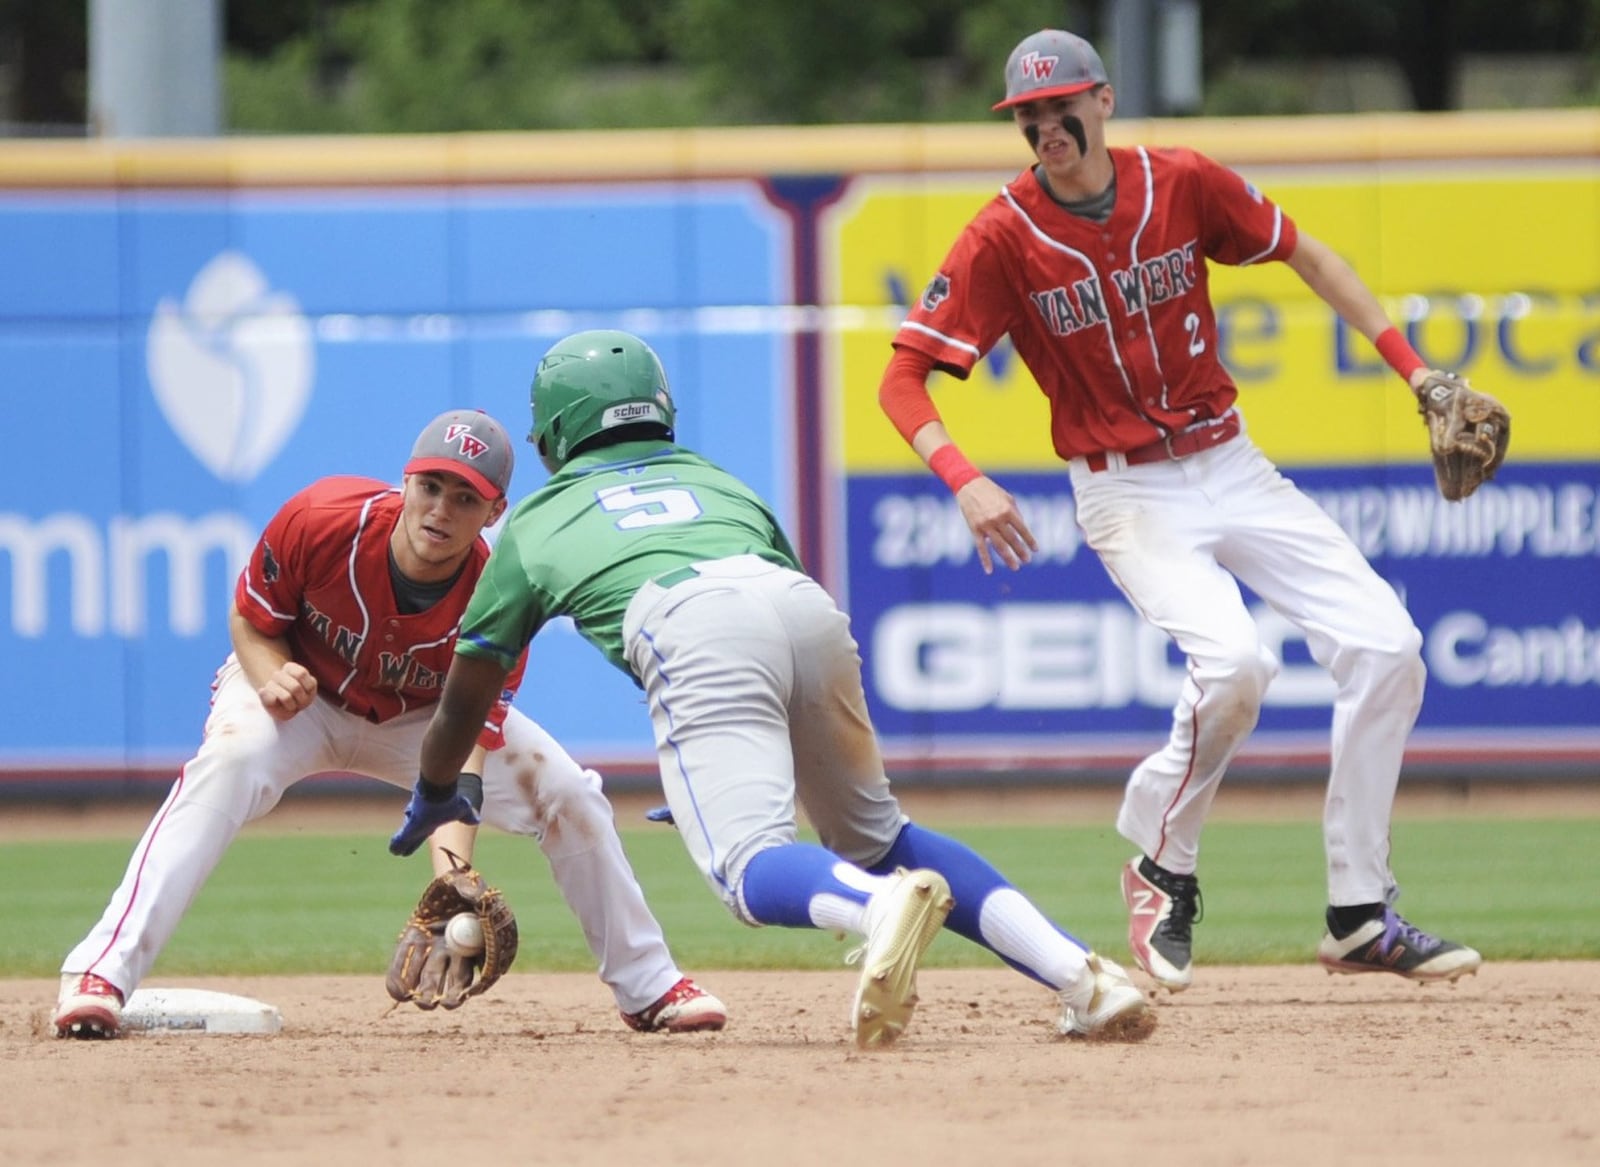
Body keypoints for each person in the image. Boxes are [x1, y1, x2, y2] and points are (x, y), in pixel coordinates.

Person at [877, 28, 1483, 994]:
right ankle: (1162, 861)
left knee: (1388, 647)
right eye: (1026, 114)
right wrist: (962, 476)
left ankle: (1359, 912)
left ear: (1104, 101)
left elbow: (1307, 254)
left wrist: (1419, 374)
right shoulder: (1002, 235)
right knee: (1236, 665)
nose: (1043, 125)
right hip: (1126, 488)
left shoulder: (1185, 182)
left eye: (1058, 104)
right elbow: (904, 379)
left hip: (1229, 462)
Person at [386, 329, 1155, 1049]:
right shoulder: (717, 480)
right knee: (880, 839)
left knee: (749, 870)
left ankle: (880, 907)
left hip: (691, 627)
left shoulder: (537, 519)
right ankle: (1084, 980)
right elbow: (777, 615)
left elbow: (466, 693)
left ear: (554, 429)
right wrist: (722, 761)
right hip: (801, 609)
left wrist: (434, 785)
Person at [53, 409, 725, 1038]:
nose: (441, 509)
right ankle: (100, 971)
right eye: (431, 486)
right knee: (229, 759)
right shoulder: (322, 518)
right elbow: (252, 618)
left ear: (494, 511)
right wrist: (267, 675)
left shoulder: (501, 596)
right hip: (302, 695)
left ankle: (651, 986)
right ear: (405, 480)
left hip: (425, 720)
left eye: (465, 498)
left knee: (570, 794)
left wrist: (452, 877)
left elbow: (465, 748)